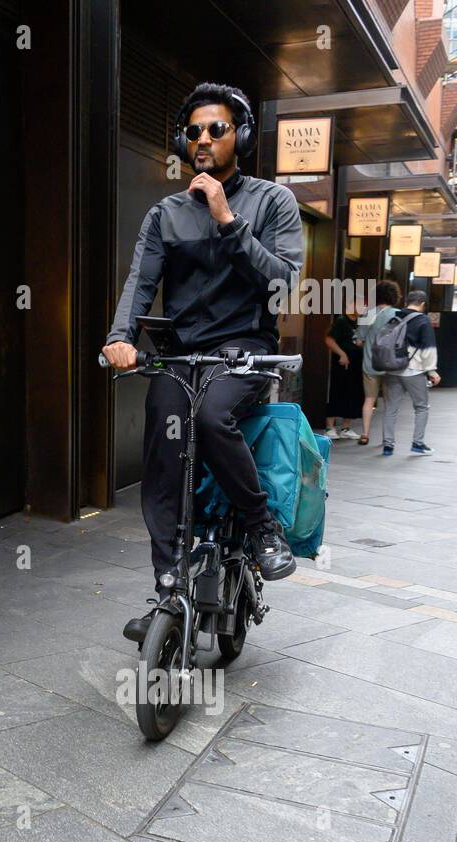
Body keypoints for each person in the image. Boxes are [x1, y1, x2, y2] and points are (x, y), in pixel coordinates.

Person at [102, 82, 304, 642]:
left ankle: (262, 530)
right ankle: (168, 587)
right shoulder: (164, 214)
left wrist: (227, 220)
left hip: (246, 351)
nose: (203, 140)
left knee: (213, 416)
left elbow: (284, 280)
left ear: (239, 135)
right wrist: (120, 337)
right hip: (182, 355)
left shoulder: (271, 202)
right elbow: (140, 284)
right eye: (193, 131)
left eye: (216, 129)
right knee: (164, 449)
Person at [379, 290, 440, 456]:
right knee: (421, 407)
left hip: (392, 369)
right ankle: (418, 443)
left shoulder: (395, 317)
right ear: (422, 304)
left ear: (407, 301)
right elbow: (428, 348)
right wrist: (432, 371)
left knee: (391, 408)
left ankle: (388, 446)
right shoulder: (422, 320)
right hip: (413, 370)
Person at [355, 280, 401, 445]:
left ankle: (365, 434)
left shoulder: (367, 314)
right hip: (391, 366)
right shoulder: (399, 314)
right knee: (390, 402)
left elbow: (359, 341)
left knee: (369, 399)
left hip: (370, 364)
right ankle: (387, 438)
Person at [323, 302, 364, 441]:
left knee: (352, 393)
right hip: (342, 364)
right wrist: (342, 354)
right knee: (337, 392)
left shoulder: (357, 323)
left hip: (356, 364)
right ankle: (330, 427)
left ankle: (346, 427)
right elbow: (329, 339)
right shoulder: (341, 321)